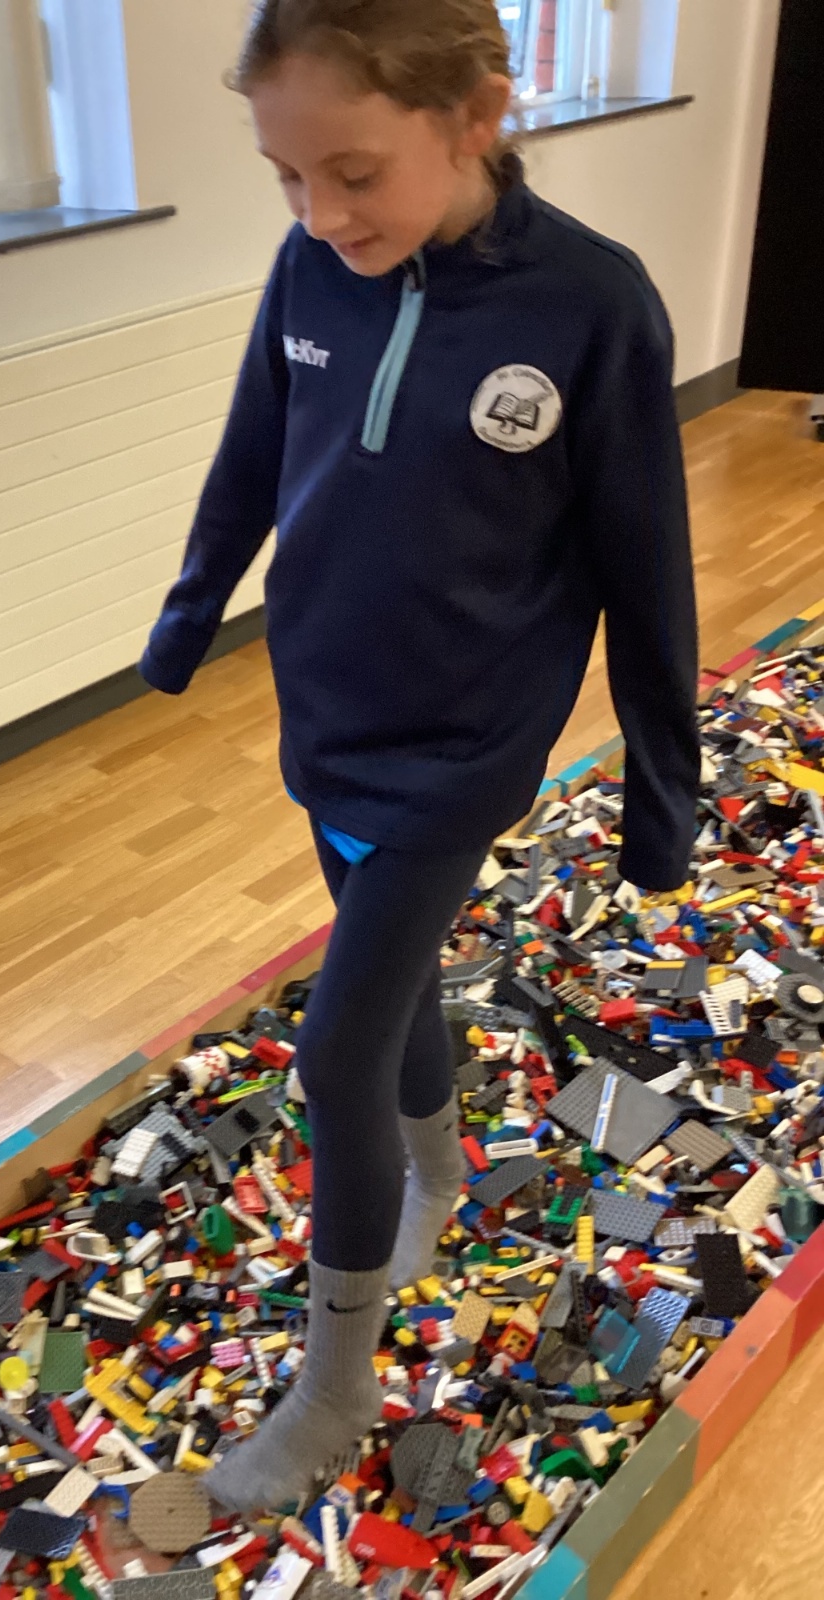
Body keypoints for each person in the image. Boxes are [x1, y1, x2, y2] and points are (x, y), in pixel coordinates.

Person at [139, 0, 700, 1512]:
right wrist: (192, 611)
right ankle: (440, 1173)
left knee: (336, 1046)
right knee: (387, 996)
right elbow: (254, 451)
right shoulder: (311, 267)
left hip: (462, 748)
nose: (321, 214)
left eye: (353, 172)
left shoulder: (592, 306)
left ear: (476, 116)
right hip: (326, 710)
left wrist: (665, 799)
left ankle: (334, 1393)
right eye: (286, 177)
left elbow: (647, 568)